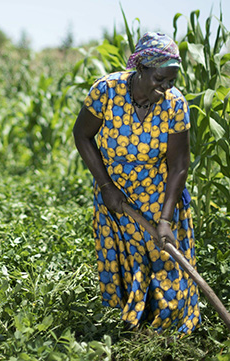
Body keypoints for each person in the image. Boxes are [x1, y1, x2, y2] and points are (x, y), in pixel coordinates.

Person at [72, 32, 201, 334]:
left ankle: (166, 327)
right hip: (115, 196)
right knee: (124, 263)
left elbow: (179, 165)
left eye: (171, 81)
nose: (165, 87)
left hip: (158, 196)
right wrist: (106, 187)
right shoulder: (106, 91)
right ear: (140, 67)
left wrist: (166, 219)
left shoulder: (175, 105)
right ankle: (130, 327)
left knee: (164, 262)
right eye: (160, 79)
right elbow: (82, 135)